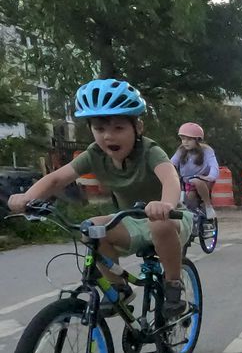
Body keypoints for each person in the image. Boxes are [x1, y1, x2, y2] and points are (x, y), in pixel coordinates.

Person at [8, 79, 192, 319]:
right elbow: (55, 179)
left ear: (138, 127)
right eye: (99, 128)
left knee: (159, 224)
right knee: (92, 228)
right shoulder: (94, 154)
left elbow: (170, 178)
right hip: (130, 220)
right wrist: (27, 198)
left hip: (170, 218)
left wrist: (165, 204)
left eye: (118, 128)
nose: (108, 136)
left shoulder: (149, 150)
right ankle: (119, 287)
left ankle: (173, 284)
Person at [171, 122, 219, 219]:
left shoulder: (207, 151)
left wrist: (210, 177)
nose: (185, 142)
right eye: (183, 139)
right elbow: (171, 164)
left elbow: (214, 166)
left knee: (196, 181)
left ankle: (208, 207)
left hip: (204, 180)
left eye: (189, 139)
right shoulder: (181, 150)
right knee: (187, 201)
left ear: (197, 140)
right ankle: (191, 219)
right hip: (187, 182)